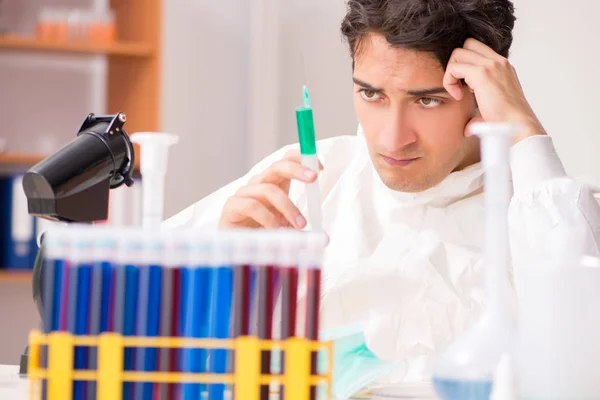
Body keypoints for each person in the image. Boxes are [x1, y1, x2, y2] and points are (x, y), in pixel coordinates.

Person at [164, 0, 600, 393]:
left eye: (427, 101)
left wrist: (523, 127)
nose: (393, 139)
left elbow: (582, 357)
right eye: (371, 94)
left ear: (484, 91)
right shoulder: (299, 182)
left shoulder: (546, 212)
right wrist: (224, 281)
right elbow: (144, 346)